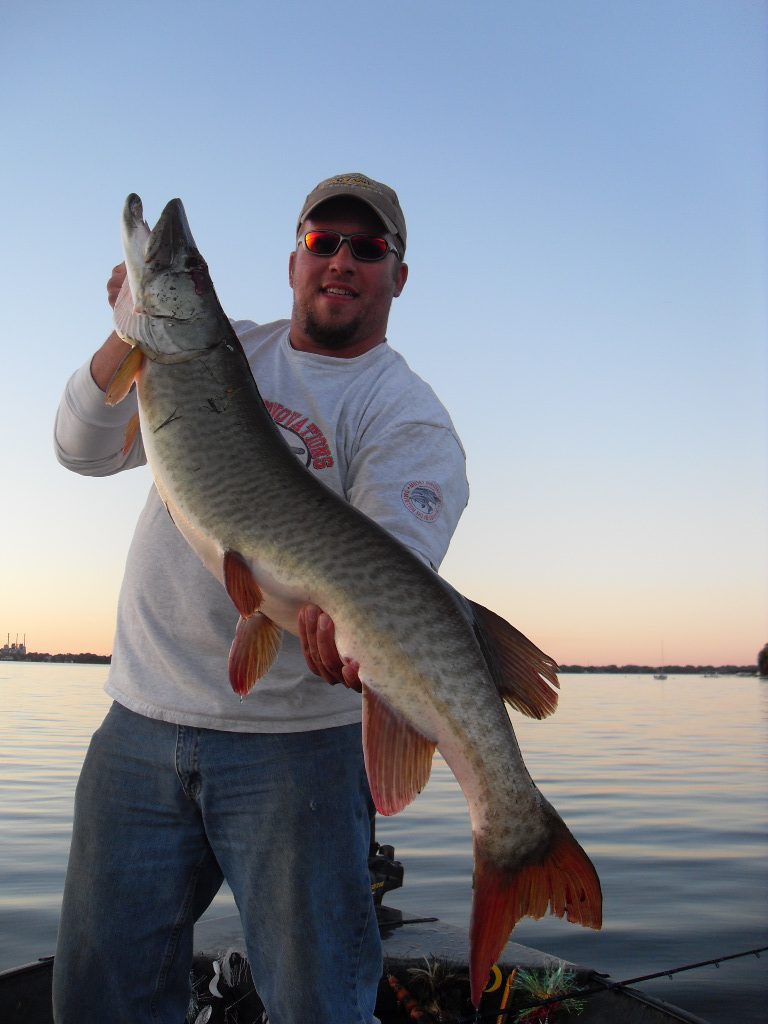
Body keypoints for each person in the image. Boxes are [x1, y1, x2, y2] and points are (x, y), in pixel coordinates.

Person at [52, 173, 469, 1024]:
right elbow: (81, 448)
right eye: (322, 242)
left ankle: (510, 831)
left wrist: (340, 625)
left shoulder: (407, 415)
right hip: (141, 721)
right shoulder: (221, 353)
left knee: (320, 1007)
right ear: (292, 264)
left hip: (297, 752)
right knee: (100, 1001)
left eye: (367, 247)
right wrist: (127, 329)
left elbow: (391, 565)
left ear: (397, 276)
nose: (341, 260)